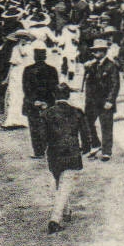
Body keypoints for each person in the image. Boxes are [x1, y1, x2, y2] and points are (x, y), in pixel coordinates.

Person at [38, 96, 88, 233]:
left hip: (54, 154)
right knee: (65, 185)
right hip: (72, 153)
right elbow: (85, 133)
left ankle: (66, 211)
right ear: (68, 96)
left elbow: (41, 136)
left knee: (59, 183)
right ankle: (55, 219)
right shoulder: (77, 112)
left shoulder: (47, 113)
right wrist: (86, 147)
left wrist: (42, 150)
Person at [83, 38, 121, 160]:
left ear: (104, 51)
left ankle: (106, 151)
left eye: (98, 51)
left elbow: (115, 85)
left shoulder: (111, 66)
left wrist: (110, 100)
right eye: (94, 51)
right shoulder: (92, 65)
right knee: (87, 122)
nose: (95, 53)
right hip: (92, 101)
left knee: (106, 126)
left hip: (105, 101)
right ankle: (95, 143)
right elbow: (88, 84)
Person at [21, 46, 60, 157]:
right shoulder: (52, 70)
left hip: (32, 103)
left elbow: (26, 88)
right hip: (48, 102)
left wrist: (34, 101)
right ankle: (48, 150)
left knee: (34, 127)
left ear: (34, 57)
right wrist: (46, 102)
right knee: (48, 126)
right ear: (45, 57)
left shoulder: (28, 70)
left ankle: (38, 151)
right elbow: (54, 88)